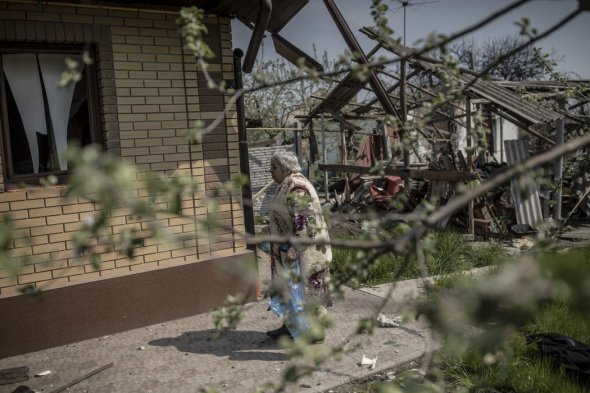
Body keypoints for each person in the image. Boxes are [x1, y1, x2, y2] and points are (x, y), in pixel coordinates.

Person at [266, 150, 332, 342]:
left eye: (274, 167)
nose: (271, 171)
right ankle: (290, 327)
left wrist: (295, 247)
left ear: (286, 168)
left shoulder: (297, 187)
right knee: (291, 292)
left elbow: (305, 222)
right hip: (290, 250)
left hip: (304, 252)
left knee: (307, 292)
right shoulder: (287, 184)